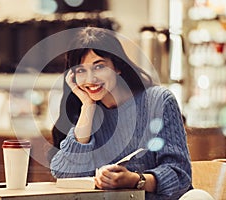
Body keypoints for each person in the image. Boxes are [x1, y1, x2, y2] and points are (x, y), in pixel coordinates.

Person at [49, 26, 193, 199]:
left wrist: (134, 180)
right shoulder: (87, 115)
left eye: (99, 67)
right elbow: (65, 174)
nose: (90, 79)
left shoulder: (158, 101)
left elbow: (180, 175)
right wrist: (87, 106)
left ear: (117, 66)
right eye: (81, 70)